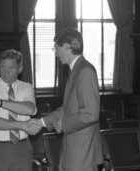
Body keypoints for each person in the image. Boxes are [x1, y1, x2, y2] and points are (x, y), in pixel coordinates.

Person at [30, 28, 104, 171]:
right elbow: (68, 108)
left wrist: (63, 124)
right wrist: (41, 122)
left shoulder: (85, 71)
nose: (56, 53)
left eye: (56, 48)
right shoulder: (76, 70)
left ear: (66, 47)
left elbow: (90, 113)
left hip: (83, 152)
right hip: (75, 150)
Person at [0, 49, 40, 171]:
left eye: (11, 68)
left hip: (22, 148)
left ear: (20, 69)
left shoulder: (26, 88)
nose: (6, 71)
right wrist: (23, 125)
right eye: (3, 67)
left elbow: (29, 109)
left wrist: (0, 103)